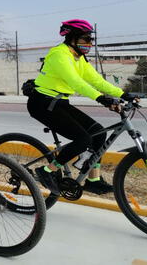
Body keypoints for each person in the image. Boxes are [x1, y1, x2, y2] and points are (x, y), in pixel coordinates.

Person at [29, 19, 138, 195]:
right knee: (83, 140)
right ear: (72, 38)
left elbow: (96, 80)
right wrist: (102, 99)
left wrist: (122, 94)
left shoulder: (78, 57)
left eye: (91, 39)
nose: (90, 43)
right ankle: (47, 171)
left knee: (99, 133)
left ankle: (93, 180)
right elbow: (76, 82)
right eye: (86, 39)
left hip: (60, 102)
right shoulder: (59, 54)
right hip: (42, 102)